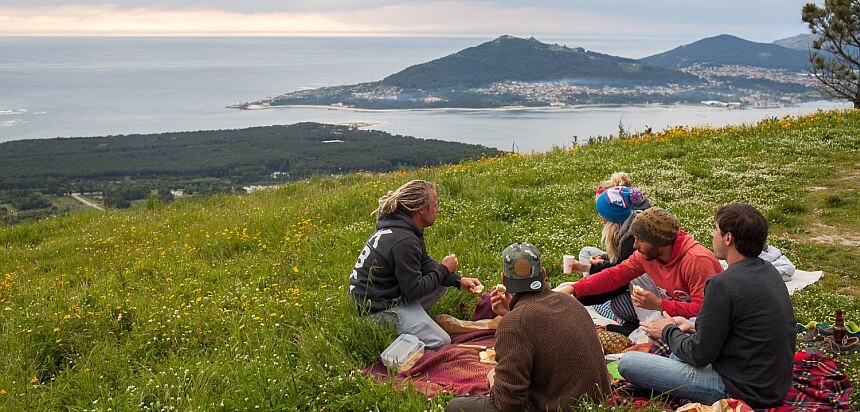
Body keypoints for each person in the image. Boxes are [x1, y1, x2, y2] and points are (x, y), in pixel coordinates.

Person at [617, 203, 796, 407]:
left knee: (629, 363)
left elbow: (699, 354)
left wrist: (667, 330)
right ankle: (672, 369)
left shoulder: (722, 284)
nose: (712, 234)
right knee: (689, 329)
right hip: (773, 383)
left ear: (728, 238)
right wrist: (692, 326)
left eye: (716, 230)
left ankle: (672, 376)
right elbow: (742, 327)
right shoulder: (768, 272)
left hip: (740, 389)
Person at [447, 242, 610, 412]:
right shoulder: (570, 301)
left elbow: (508, 403)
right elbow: (539, 326)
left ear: (504, 280)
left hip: (558, 406)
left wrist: (493, 378)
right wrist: (511, 311)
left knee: (456, 406)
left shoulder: (514, 323)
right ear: (544, 274)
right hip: (596, 402)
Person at [348, 180, 482, 349]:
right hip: (375, 310)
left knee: (442, 283)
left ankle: (414, 321)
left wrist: (457, 279)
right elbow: (413, 291)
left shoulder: (405, 227)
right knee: (441, 341)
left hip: (385, 295)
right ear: (421, 209)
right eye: (435, 205)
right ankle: (397, 335)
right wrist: (444, 269)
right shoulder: (404, 240)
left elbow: (424, 262)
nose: (438, 209)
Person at [559, 207, 723, 319]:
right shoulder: (645, 256)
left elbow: (706, 312)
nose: (635, 246)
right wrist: (574, 288)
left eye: (640, 240)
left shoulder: (696, 261)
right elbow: (615, 275)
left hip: (701, 323)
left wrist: (659, 305)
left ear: (658, 242)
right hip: (674, 313)